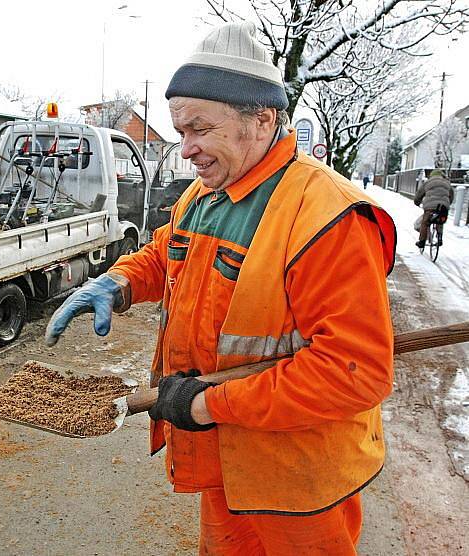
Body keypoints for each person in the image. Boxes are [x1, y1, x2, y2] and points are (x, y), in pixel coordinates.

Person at [45, 21, 397, 555]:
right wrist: (117, 281)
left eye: (201, 129)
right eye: (181, 130)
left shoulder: (326, 216)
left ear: (262, 119)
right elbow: (166, 253)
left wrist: (208, 405)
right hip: (226, 466)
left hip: (298, 482)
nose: (186, 149)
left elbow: (355, 374)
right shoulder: (206, 195)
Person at [414, 169, 453, 248]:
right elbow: (451, 196)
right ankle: (439, 239)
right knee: (440, 220)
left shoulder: (428, 182)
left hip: (430, 207)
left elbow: (419, 194)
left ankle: (422, 241)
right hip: (443, 206)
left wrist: (417, 202)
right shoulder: (447, 183)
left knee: (425, 223)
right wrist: (447, 204)